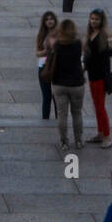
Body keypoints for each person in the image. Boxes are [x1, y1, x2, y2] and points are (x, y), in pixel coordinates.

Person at [47, 17, 85, 151]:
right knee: (77, 113)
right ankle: (79, 140)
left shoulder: (57, 45)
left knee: (62, 114)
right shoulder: (78, 44)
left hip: (59, 84)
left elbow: (50, 42)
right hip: (77, 83)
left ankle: (64, 141)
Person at [84, 8, 112, 147]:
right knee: (97, 106)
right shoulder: (91, 33)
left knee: (101, 107)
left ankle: (107, 136)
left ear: (102, 20)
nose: (93, 21)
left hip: (100, 76)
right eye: (92, 18)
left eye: (96, 19)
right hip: (92, 75)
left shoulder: (103, 34)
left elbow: (111, 52)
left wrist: (110, 41)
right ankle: (100, 133)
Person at [36, 11, 58, 120]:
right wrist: (47, 51)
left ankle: (60, 120)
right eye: (47, 19)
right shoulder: (41, 35)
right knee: (46, 96)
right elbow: (37, 53)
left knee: (57, 96)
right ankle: (45, 119)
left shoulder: (59, 34)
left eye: (51, 19)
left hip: (56, 67)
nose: (49, 21)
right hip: (43, 67)